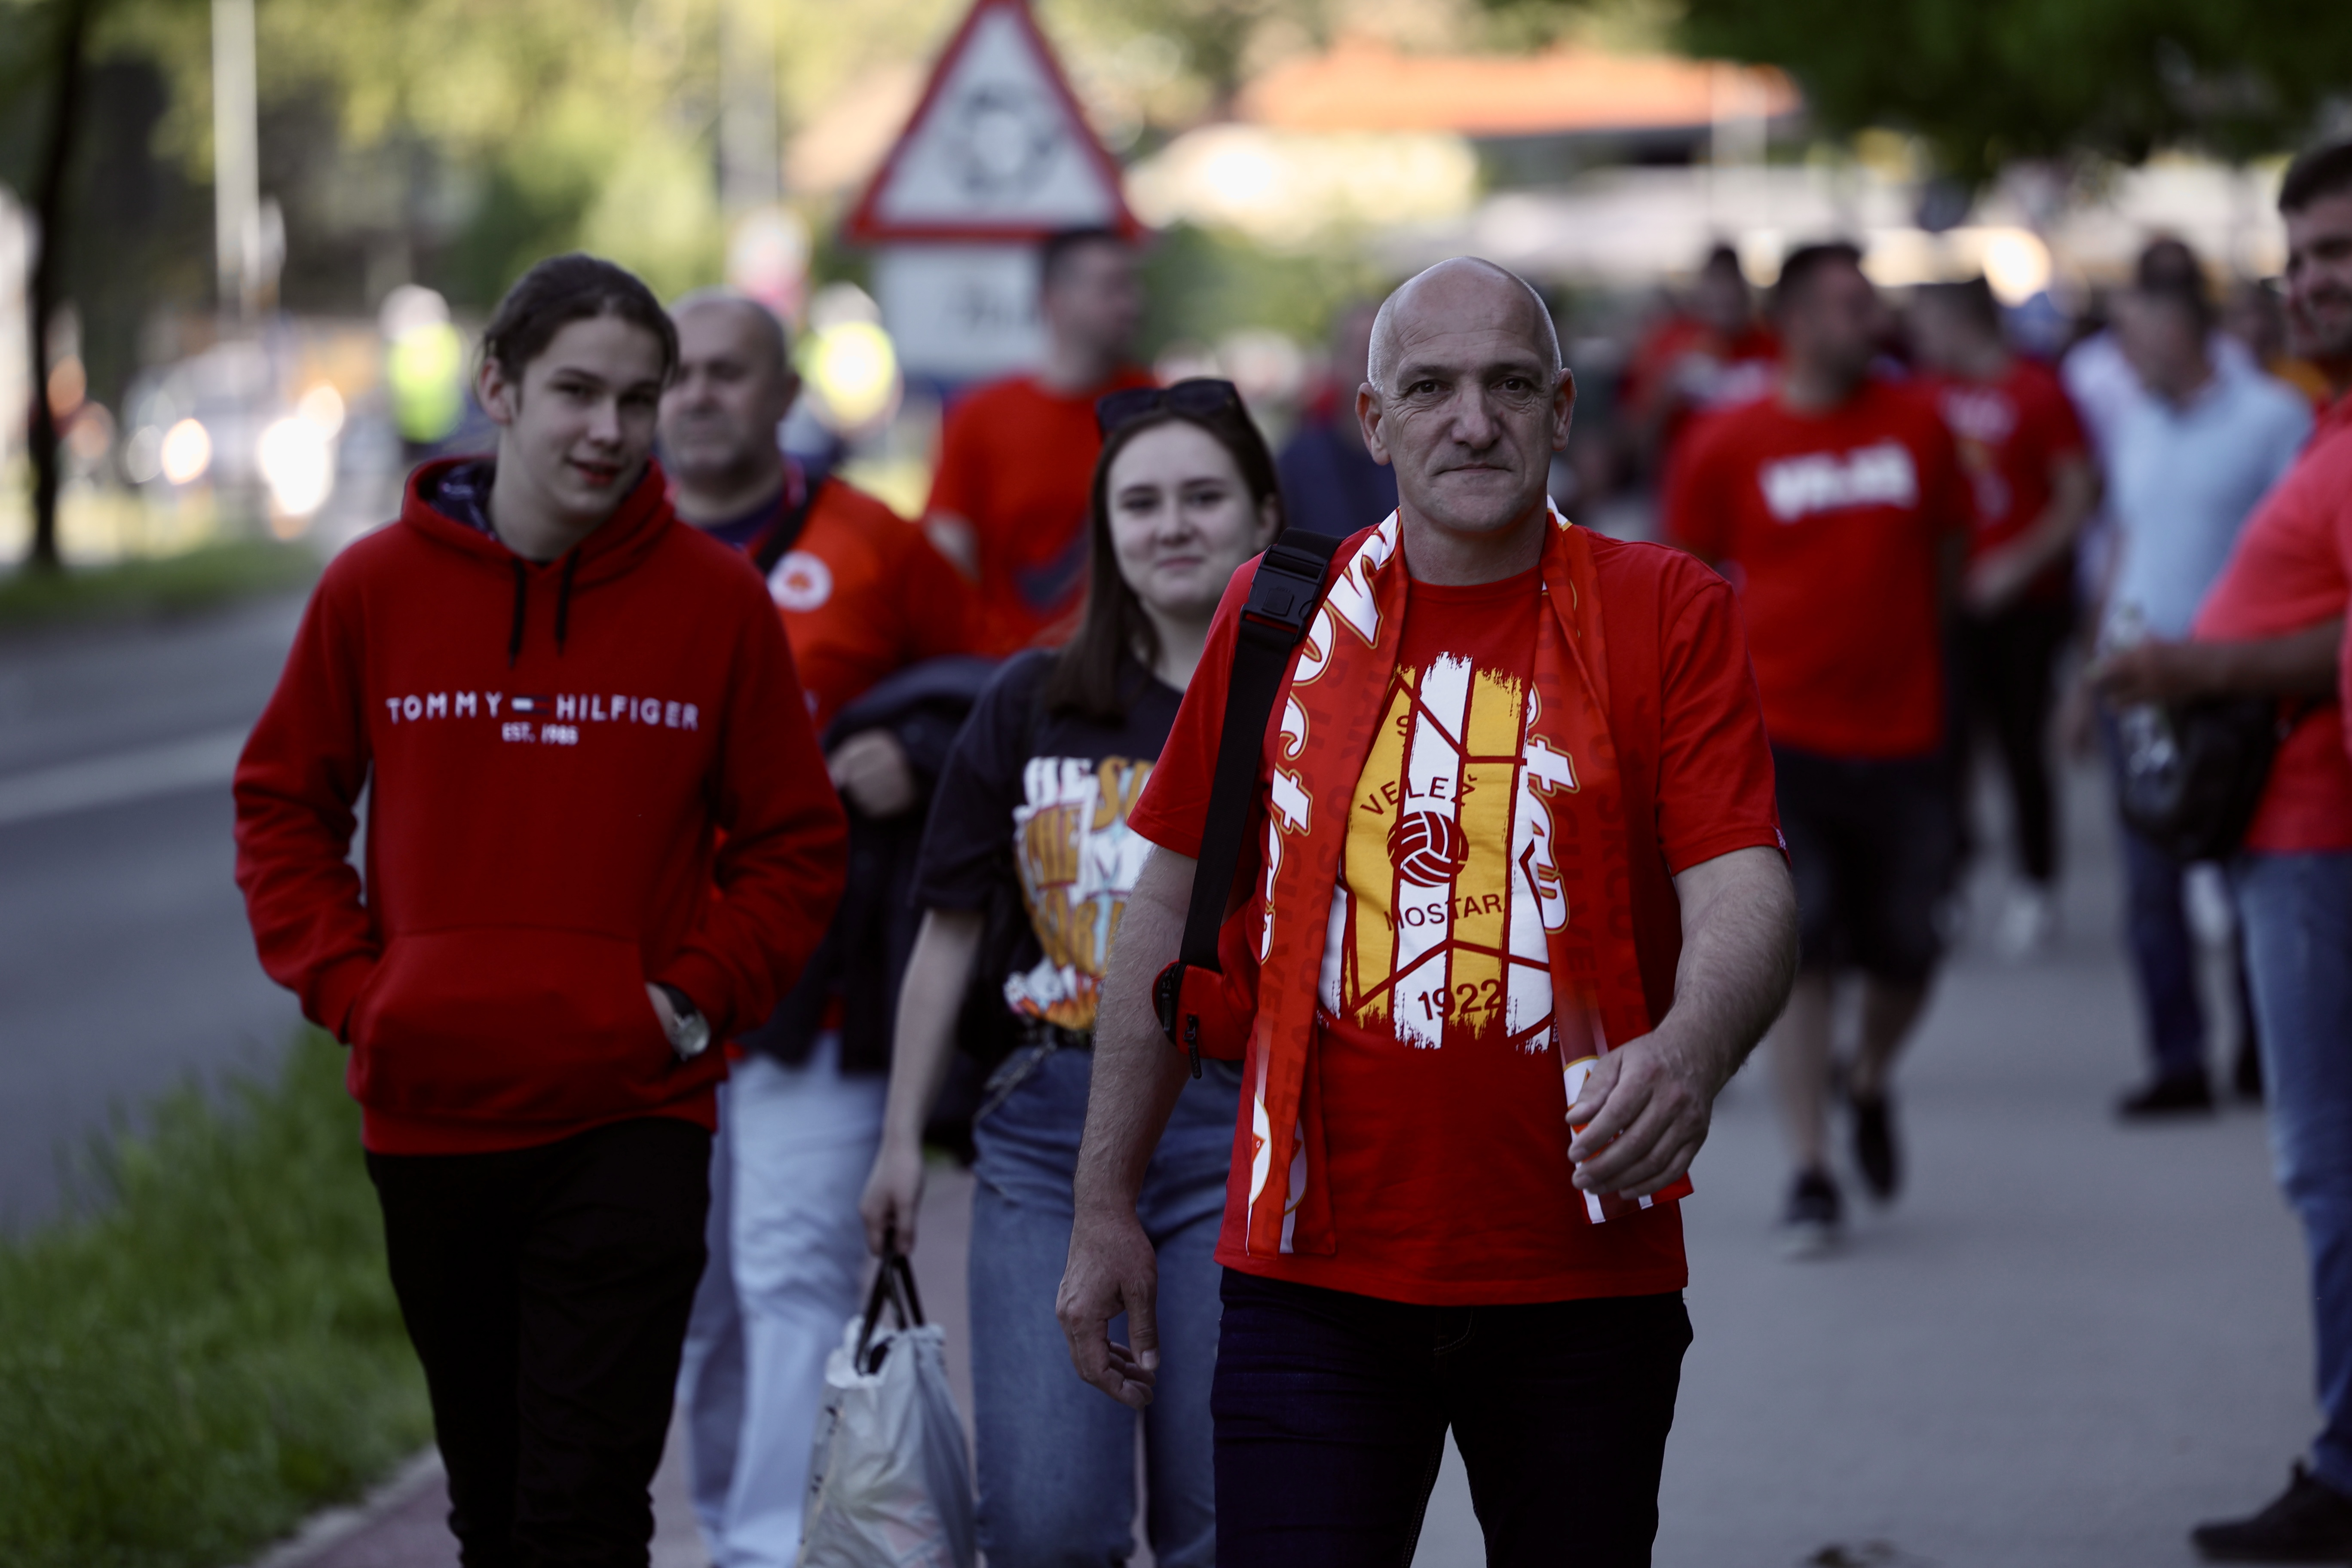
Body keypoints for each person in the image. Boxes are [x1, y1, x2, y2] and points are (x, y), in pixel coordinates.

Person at [1058, 259, 1798, 1567]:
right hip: (1307, 1278)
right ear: (1372, 420)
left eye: (1511, 385)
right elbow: (1167, 897)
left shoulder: (1667, 607)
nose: (1474, 420)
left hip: (1583, 1271)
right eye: (1432, 389)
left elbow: (1743, 881)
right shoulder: (1276, 613)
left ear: (1565, 408)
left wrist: (1691, 1050)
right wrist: (1105, 1199)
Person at [232, 254, 849, 1566]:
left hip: (632, 1112)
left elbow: (796, 844)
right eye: (577, 391)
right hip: (431, 1113)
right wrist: (356, 991)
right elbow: (284, 807)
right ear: (496, 385)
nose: (610, 431)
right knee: (495, 1502)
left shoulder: (716, 603)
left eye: (639, 398)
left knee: (583, 1509)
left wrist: (687, 999)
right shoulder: (372, 590)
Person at [860, 380, 1281, 1567]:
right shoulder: (1026, 700)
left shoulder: (1310, 705)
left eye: (1203, 496)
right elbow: (946, 932)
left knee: (1223, 1524)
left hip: (1235, 1128)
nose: (1172, 524)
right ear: (1106, 530)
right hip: (1047, 1135)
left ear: (1262, 514)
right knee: (1045, 1530)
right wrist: (899, 1139)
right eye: (1139, 503)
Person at [658, 288, 975, 1566]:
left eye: (730, 372)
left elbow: (1001, 696)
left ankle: (757, 1550)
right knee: (686, 1295)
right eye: (675, 374)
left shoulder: (876, 544)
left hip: (812, 993)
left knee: (788, 1276)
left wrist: (914, 743)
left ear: (787, 393)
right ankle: (717, 1517)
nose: (699, 396)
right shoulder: (596, 549)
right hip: (640, 997)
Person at [2094, 139, 2352, 1563]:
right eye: (2303, 252)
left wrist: (2201, 670)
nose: (2314, 278)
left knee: (2328, 1167)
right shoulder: (2326, 421)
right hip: (2280, 823)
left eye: (2341, 253)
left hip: (2317, 830)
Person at [1663, 242, 1970, 1251]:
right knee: (1805, 947)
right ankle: (1809, 1167)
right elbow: (1689, 579)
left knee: (1910, 948)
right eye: (1846, 304)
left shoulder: (1918, 424)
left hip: (1906, 731)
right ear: (1791, 320)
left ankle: (1869, 1076)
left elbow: (1945, 555)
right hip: (1781, 733)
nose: (1868, 317)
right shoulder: (1724, 439)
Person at [2095, 254, 2310, 1117]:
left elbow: (2300, 548)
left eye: (2137, 334)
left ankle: (2264, 1048)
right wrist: (2090, 673)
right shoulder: (2136, 423)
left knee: (2249, 869)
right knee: (2150, 882)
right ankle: (2177, 1059)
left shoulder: (2271, 417)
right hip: (2140, 682)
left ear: (2181, 333)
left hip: (2230, 679)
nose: (2125, 353)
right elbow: (2124, 541)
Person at [1910, 277, 2098, 955]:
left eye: (1930, 324)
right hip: (1948, 602)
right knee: (1948, 746)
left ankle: (2036, 883)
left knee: (2022, 745)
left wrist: (2017, 565)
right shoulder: (1926, 395)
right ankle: (1948, 882)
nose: (1920, 340)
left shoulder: (2038, 392)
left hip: (2026, 604)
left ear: (1966, 323)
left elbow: (2078, 495)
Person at [924, 227, 1155, 656]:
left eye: (1132, 285)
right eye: (1112, 286)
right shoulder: (981, 415)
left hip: (1129, 670)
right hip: (1009, 671)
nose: (1132, 303)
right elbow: (949, 554)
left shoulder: (1160, 410)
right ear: (1053, 299)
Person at [1623, 242, 1780, 474]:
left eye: (1731, 281)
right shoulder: (1670, 342)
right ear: (1701, 289)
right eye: (1716, 282)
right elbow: (1634, 434)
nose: (1724, 293)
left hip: (1756, 467)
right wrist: (1669, 388)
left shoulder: (1770, 345)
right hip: (1687, 471)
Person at [1276, 301, 1400, 536]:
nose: (1376, 369)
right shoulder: (1298, 464)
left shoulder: (1422, 455)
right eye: (1366, 354)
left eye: (1388, 355)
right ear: (1337, 361)